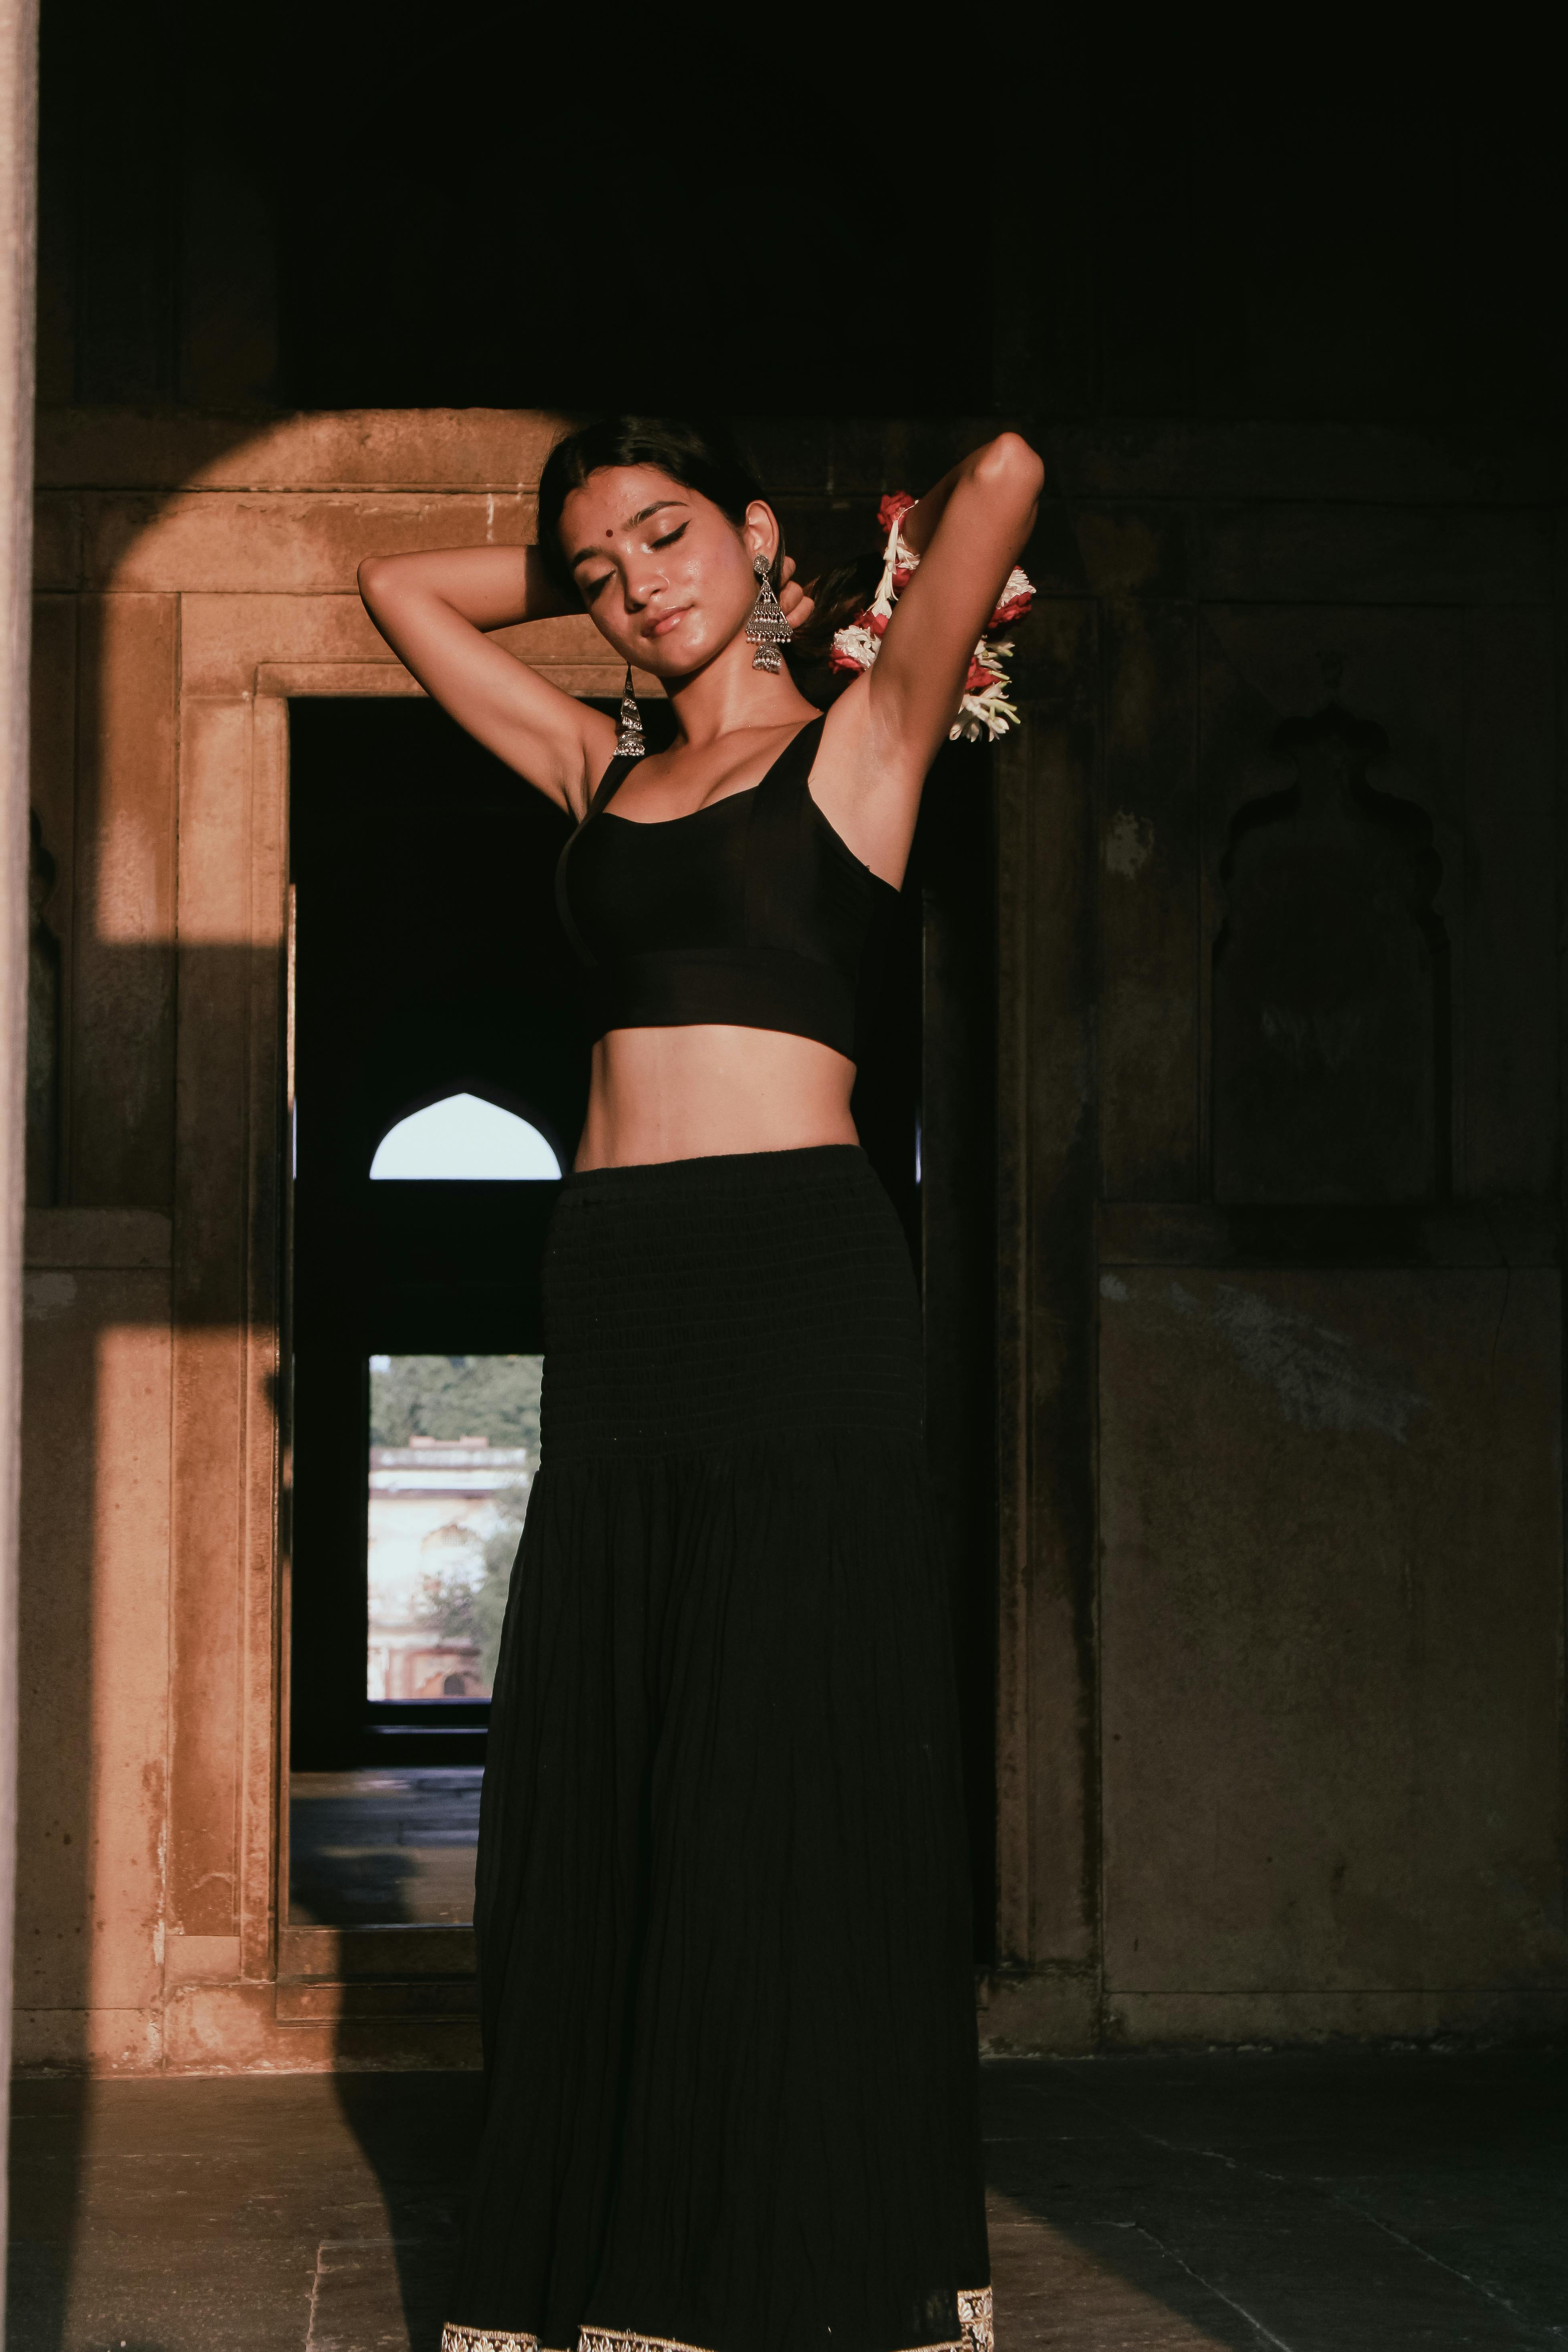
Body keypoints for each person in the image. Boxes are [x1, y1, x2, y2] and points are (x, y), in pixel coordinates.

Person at [358, 416, 1044, 2352]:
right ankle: (612, 2238)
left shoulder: (867, 744)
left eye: (666, 537)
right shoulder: (600, 767)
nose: (633, 581)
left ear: (755, 532)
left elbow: (1003, 472)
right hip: (624, 1276)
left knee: (782, 1736)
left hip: (802, 1272)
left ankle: (785, 2247)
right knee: (622, 1737)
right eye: (596, 571)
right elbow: (395, 594)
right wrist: (593, 571)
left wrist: (834, 550)